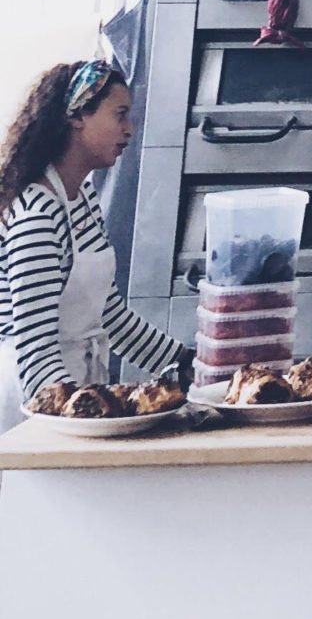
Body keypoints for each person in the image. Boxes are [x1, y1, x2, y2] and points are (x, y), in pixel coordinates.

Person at [0, 59, 190, 431]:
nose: (129, 130)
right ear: (77, 117)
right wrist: (95, 414)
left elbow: (109, 315)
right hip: (27, 408)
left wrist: (184, 362)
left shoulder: (81, 198)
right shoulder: (38, 214)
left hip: (75, 393)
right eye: (119, 115)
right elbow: (35, 354)